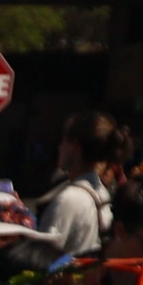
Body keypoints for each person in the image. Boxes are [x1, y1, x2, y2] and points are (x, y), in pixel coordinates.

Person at [37, 111, 122, 260]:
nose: (59, 147)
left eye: (63, 141)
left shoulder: (69, 199)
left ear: (75, 147)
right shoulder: (101, 193)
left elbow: (40, 259)